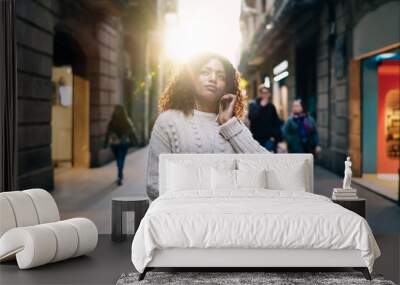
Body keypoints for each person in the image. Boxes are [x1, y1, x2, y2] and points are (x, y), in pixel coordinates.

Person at [147, 53, 269, 200]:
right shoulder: (169, 121)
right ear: (191, 79)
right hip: (186, 217)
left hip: (231, 215)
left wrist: (229, 124)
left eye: (221, 76)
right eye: (205, 72)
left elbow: (267, 166)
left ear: (227, 86)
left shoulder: (234, 125)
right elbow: (154, 185)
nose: (213, 79)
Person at [104, 105, 138, 185]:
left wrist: (106, 143)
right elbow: (131, 131)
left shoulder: (113, 121)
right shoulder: (126, 120)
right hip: (123, 142)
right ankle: (120, 174)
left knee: (119, 159)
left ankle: (120, 175)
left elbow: (108, 132)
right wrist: (134, 139)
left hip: (115, 143)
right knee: (121, 158)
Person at [247, 84, 282, 151]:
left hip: (269, 139)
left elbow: (276, 122)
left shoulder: (271, 106)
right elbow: (251, 117)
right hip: (256, 138)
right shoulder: (253, 105)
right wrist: (261, 107)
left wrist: (276, 137)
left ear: (269, 94)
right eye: (263, 93)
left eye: (266, 93)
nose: (265, 95)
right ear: (260, 94)